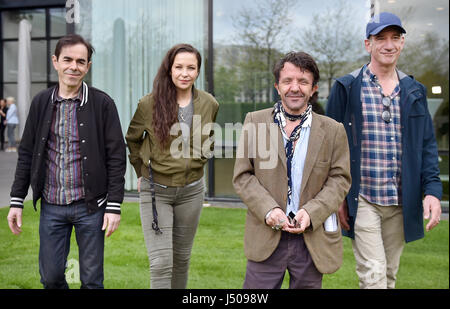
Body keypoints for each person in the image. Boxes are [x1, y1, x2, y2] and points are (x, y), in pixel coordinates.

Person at [326, 12, 442, 289]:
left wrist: (432, 192)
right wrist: (338, 198)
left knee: (388, 275)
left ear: (402, 43)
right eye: (381, 38)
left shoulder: (414, 91)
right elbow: (331, 148)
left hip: (402, 200)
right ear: (368, 44)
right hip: (363, 197)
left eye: (395, 38)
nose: (389, 45)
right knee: (374, 273)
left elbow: (427, 146)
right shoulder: (346, 87)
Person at [6, 34, 126, 289]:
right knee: (50, 278)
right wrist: (17, 200)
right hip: (51, 205)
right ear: (55, 61)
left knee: (92, 280)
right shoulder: (41, 102)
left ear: (88, 66)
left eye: (81, 61)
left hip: (91, 207)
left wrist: (114, 205)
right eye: (68, 60)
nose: (74, 66)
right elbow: (27, 152)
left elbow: (117, 156)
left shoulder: (102, 103)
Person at [233, 51, 351, 289]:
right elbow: (243, 176)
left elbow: (339, 179)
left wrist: (312, 212)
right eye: (288, 81)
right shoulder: (255, 122)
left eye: (303, 81)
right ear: (278, 86)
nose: (294, 88)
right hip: (266, 237)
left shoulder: (333, 130)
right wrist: (269, 210)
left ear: (314, 88)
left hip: (311, 239)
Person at [126, 43, 219, 289]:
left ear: (198, 71)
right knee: (160, 262)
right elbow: (133, 140)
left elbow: (208, 138)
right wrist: (141, 170)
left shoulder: (210, 103)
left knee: (181, 259)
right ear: (169, 70)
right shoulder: (149, 104)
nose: (184, 73)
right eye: (179, 67)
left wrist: (200, 160)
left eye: (191, 67)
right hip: (156, 191)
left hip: (191, 192)